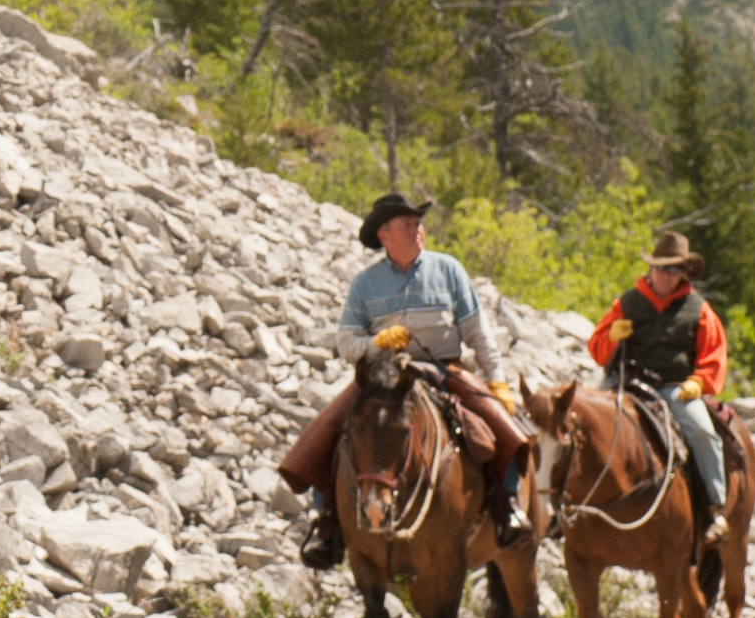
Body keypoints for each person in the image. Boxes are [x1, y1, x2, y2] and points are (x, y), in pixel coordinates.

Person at [275, 192, 524, 566]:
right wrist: (376, 342)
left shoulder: (449, 269)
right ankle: (326, 522)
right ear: (385, 235)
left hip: (444, 370)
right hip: (382, 376)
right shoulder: (364, 284)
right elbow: (345, 343)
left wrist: (498, 381)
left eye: (417, 223)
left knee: (505, 427)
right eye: (408, 224)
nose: (417, 229)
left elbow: (478, 332)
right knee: (330, 429)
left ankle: (508, 507)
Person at [585, 228, 730, 537]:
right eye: (662, 267)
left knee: (704, 433)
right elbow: (597, 348)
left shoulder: (699, 309)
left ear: (684, 272)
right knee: (588, 424)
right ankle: (574, 506)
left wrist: (698, 382)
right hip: (627, 382)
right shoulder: (626, 303)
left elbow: (713, 355)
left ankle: (714, 509)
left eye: (674, 268)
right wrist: (610, 338)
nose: (667, 274)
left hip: (674, 388)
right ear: (651, 267)